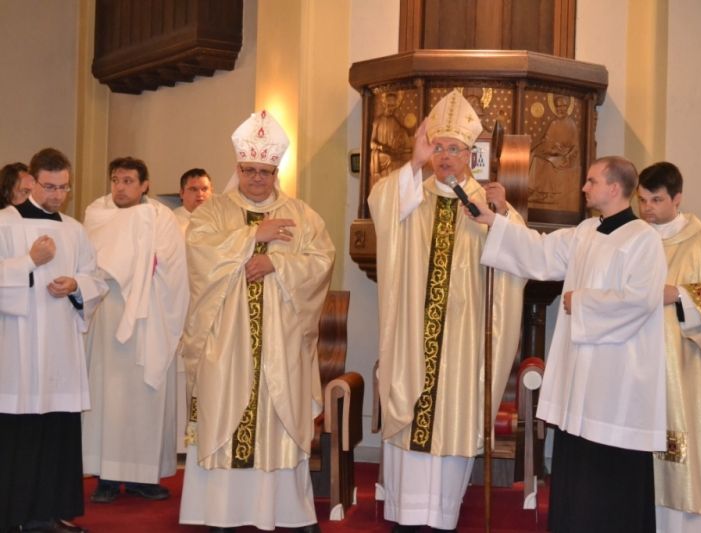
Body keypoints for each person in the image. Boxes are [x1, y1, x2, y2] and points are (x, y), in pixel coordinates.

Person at [474, 155, 667, 533]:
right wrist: (495, 221)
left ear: (615, 188)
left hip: (617, 385)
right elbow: (540, 252)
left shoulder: (643, 239)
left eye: (592, 181)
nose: (584, 187)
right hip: (581, 381)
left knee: (611, 480)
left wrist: (582, 303)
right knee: (578, 470)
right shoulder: (585, 232)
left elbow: (642, 300)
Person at [368, 89, 526, 533]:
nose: (445, 157)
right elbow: (381, 205)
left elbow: (519, 254)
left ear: (470, 155)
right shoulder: (409, 196)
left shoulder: (484, 202)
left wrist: (502, 216)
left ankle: (441, 517)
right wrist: (412, 162)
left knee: (450, 419)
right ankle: (404, 515)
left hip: (460, 340)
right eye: (437, 148)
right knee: (409, 416)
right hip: (413, 337)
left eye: (454, 149)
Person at [179, 110, 334, 533]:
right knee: (224, 414)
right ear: (238, 168)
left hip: (280, 344)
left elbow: (321, 261)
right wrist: (253, 238)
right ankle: (220, 512)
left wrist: (277, 265)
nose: (256, 178)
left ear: (275, 171)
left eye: (264, 171)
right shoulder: (213, 212)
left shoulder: (302, 215)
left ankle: (286, 511)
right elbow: (199, 254)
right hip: (226, 344)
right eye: (249, 170)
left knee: (277, 419)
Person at [1, 148, 107, 533]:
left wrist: (76, 285)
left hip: (61, 349)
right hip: (18, 350)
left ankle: (51, 513)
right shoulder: (5, 223)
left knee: (58, 432)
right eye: (49, 186)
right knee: (20, 435)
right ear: (31, 181)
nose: (57, 195)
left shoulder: (74, 229)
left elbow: (97, 279)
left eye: (64, 187)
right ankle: (13, 517)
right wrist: (29, 261)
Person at [637, 162, 701, 533]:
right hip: (639, 370)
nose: (647, 208)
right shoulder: (633, 241)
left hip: (686, 375)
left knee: (684, 462)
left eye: (657, 200)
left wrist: (680, 295)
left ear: (677, 199)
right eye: (642, 200)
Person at [82, 156, 188, 504]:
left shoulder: (161, 217)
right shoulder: (96, 213)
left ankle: (144, 476)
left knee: (145, 399)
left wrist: (143, 267)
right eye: (116, 180)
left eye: (128, 181)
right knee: (107, 398)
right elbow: (88, 263)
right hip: (108, 314)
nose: (120, 187)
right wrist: (128, 263)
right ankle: (107, 477)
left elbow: (172, 265)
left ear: (145, 185)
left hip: (148, 317)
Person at [173, 168, 213, 234]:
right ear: (182, 193)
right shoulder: (172, 222)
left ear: (211, 192)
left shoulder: (219, 220)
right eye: (193, 189)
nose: (200, 194)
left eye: (204, 189)